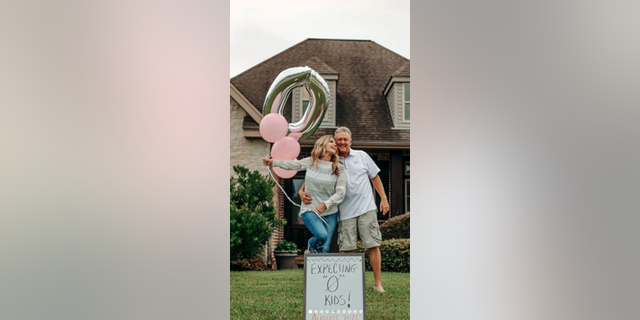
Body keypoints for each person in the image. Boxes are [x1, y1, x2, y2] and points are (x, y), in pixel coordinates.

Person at [299, 127, 389, 292]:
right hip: (344, 212)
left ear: (350, 141)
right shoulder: (331, 159)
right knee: (348, 248)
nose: (341, 142)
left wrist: (383, 199)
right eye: (338, 139)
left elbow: (375, 177)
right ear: (334, 141)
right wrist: (301, 190)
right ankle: (352, 285)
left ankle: (378, 284)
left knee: (373, 245)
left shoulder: (362, 156)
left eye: (344, 139)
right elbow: (313, 175)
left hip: (366, 207)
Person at [263, 135, 346, 254]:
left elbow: (341, 193)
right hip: (310, 209)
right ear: (322, 144)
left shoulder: (338, 168)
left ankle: (318, 270)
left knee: (325, 247)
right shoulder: (311, 162)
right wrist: (273, 162)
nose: (334, 144)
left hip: (330, 212)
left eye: (334, 143)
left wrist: (325, 205)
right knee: (322, 236)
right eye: (331, 142)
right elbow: (293, 165)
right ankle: (311, 245)